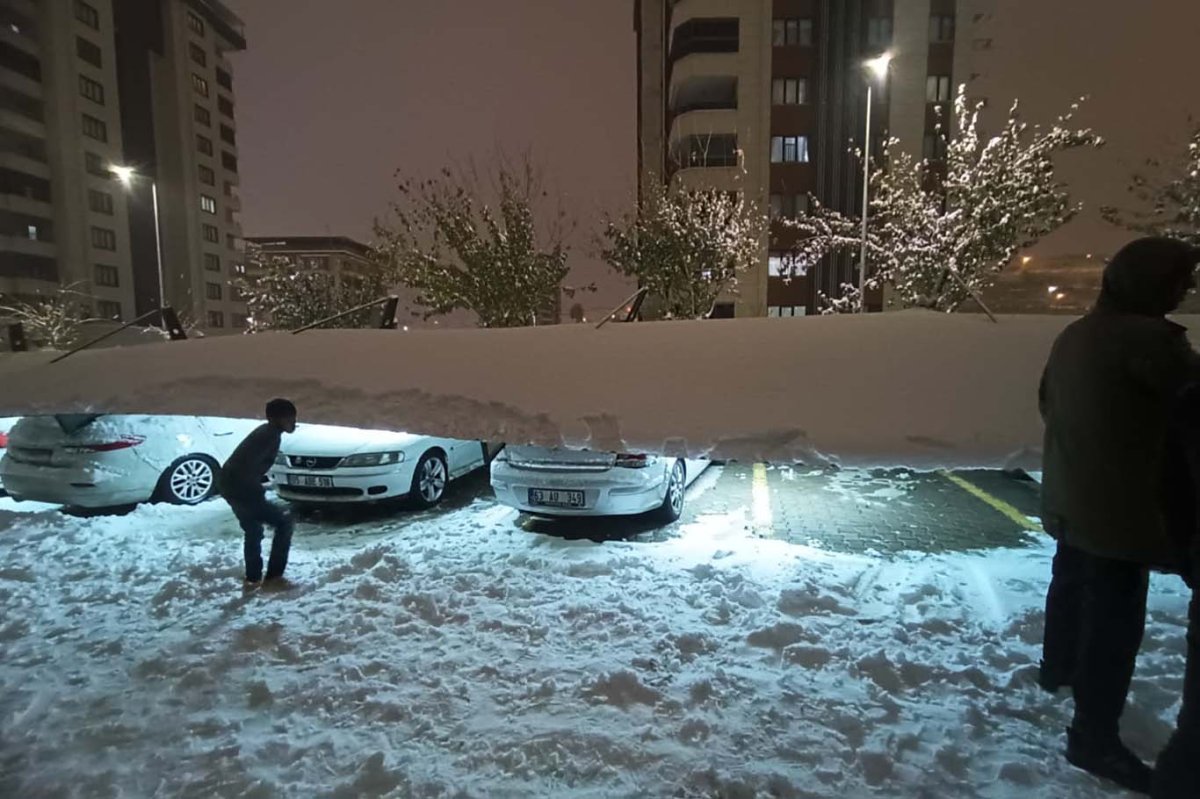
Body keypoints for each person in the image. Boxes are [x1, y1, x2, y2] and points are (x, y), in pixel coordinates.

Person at [1039, 236, 1200, 793]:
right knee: (1114, 620)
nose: (1185, 292)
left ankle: (1056, 669)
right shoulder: (1152, 343)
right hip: (1120, 504)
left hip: (1071, 490)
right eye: (1179, 282)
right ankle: (1093, 737)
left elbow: (1046, 402)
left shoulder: (1077, 333)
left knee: (1071, 582)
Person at [220, 398, 297, 589]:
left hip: (229, 485)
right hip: (239, 487)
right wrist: (255, 492)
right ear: (279, 419)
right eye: (291, 418)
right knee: (284, 523)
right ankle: (274, 577)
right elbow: (245, 467)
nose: (294, 422)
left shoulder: (267, 432)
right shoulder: (268, 436)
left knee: (253, 529)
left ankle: (253, 577)